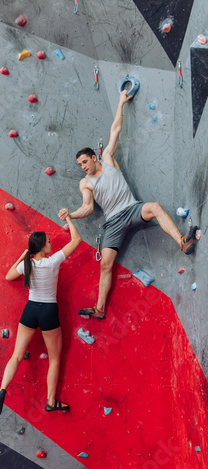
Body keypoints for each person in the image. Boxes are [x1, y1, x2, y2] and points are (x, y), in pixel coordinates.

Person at [58, 90, 198, 320]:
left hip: (132, 209)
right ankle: (100, 308)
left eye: (85, 161)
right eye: (80, 164)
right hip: (112, 223)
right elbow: (88, 208)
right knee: (105, 265)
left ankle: (182, 242)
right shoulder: (86, 183)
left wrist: (121, 102)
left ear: (94, 157)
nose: (83, 166)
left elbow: (115, 129)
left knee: (154, 206)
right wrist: (70, 214)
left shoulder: (109, 158)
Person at [0, 215, 82, 418]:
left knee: (16, 356)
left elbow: (8, 275)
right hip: (48, 311)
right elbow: (76, 240)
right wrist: (68, 217)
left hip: (31, 310)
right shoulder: (53, 261)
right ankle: (50, 402)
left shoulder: (27, 265)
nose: (51, 244)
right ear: (42, 247)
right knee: (55, 358)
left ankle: (2, 389)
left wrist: (24, 255)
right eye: (48, 242)